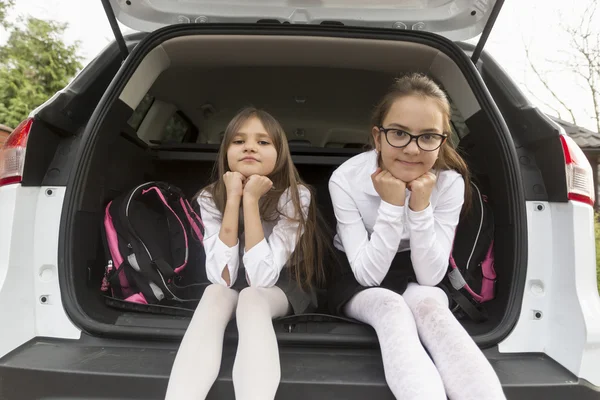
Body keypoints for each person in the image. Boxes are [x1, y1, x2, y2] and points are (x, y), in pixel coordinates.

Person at [327, 73, 506, 400]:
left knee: (431, 308)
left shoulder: (450, 183)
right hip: (356, 267)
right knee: (391, 309)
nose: (412, 149)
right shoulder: (346, 179)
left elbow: (430, 275)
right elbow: (368, 276)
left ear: (442, 140)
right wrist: (393, 205)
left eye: (427, 137)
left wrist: (421, 206)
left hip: (417, 266)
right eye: (399, 133)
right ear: (377, 137)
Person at [165, 107, 327, 400]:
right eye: (239, 141)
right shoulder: (209, 196)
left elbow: (261, 278)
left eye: (263, 142)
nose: (250, 146)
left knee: (251, 298)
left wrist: (250, 201)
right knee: (213, 293)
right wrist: (233, 199)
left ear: (280, 154)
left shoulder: (296, 195)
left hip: (283, 285)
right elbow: (222, 277)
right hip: (233, 280)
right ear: (226, 151)